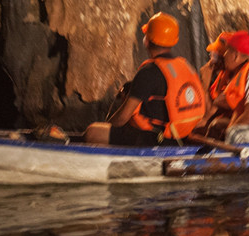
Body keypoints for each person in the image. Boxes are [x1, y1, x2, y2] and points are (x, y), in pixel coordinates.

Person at [84, 12, 206, 146]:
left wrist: (107, 128)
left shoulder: (149, 72)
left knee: (92, 132)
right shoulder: (184, 65)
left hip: (155, 139)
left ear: (146, 40)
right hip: (180, 137)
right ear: (174, 41)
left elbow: (123, 118)